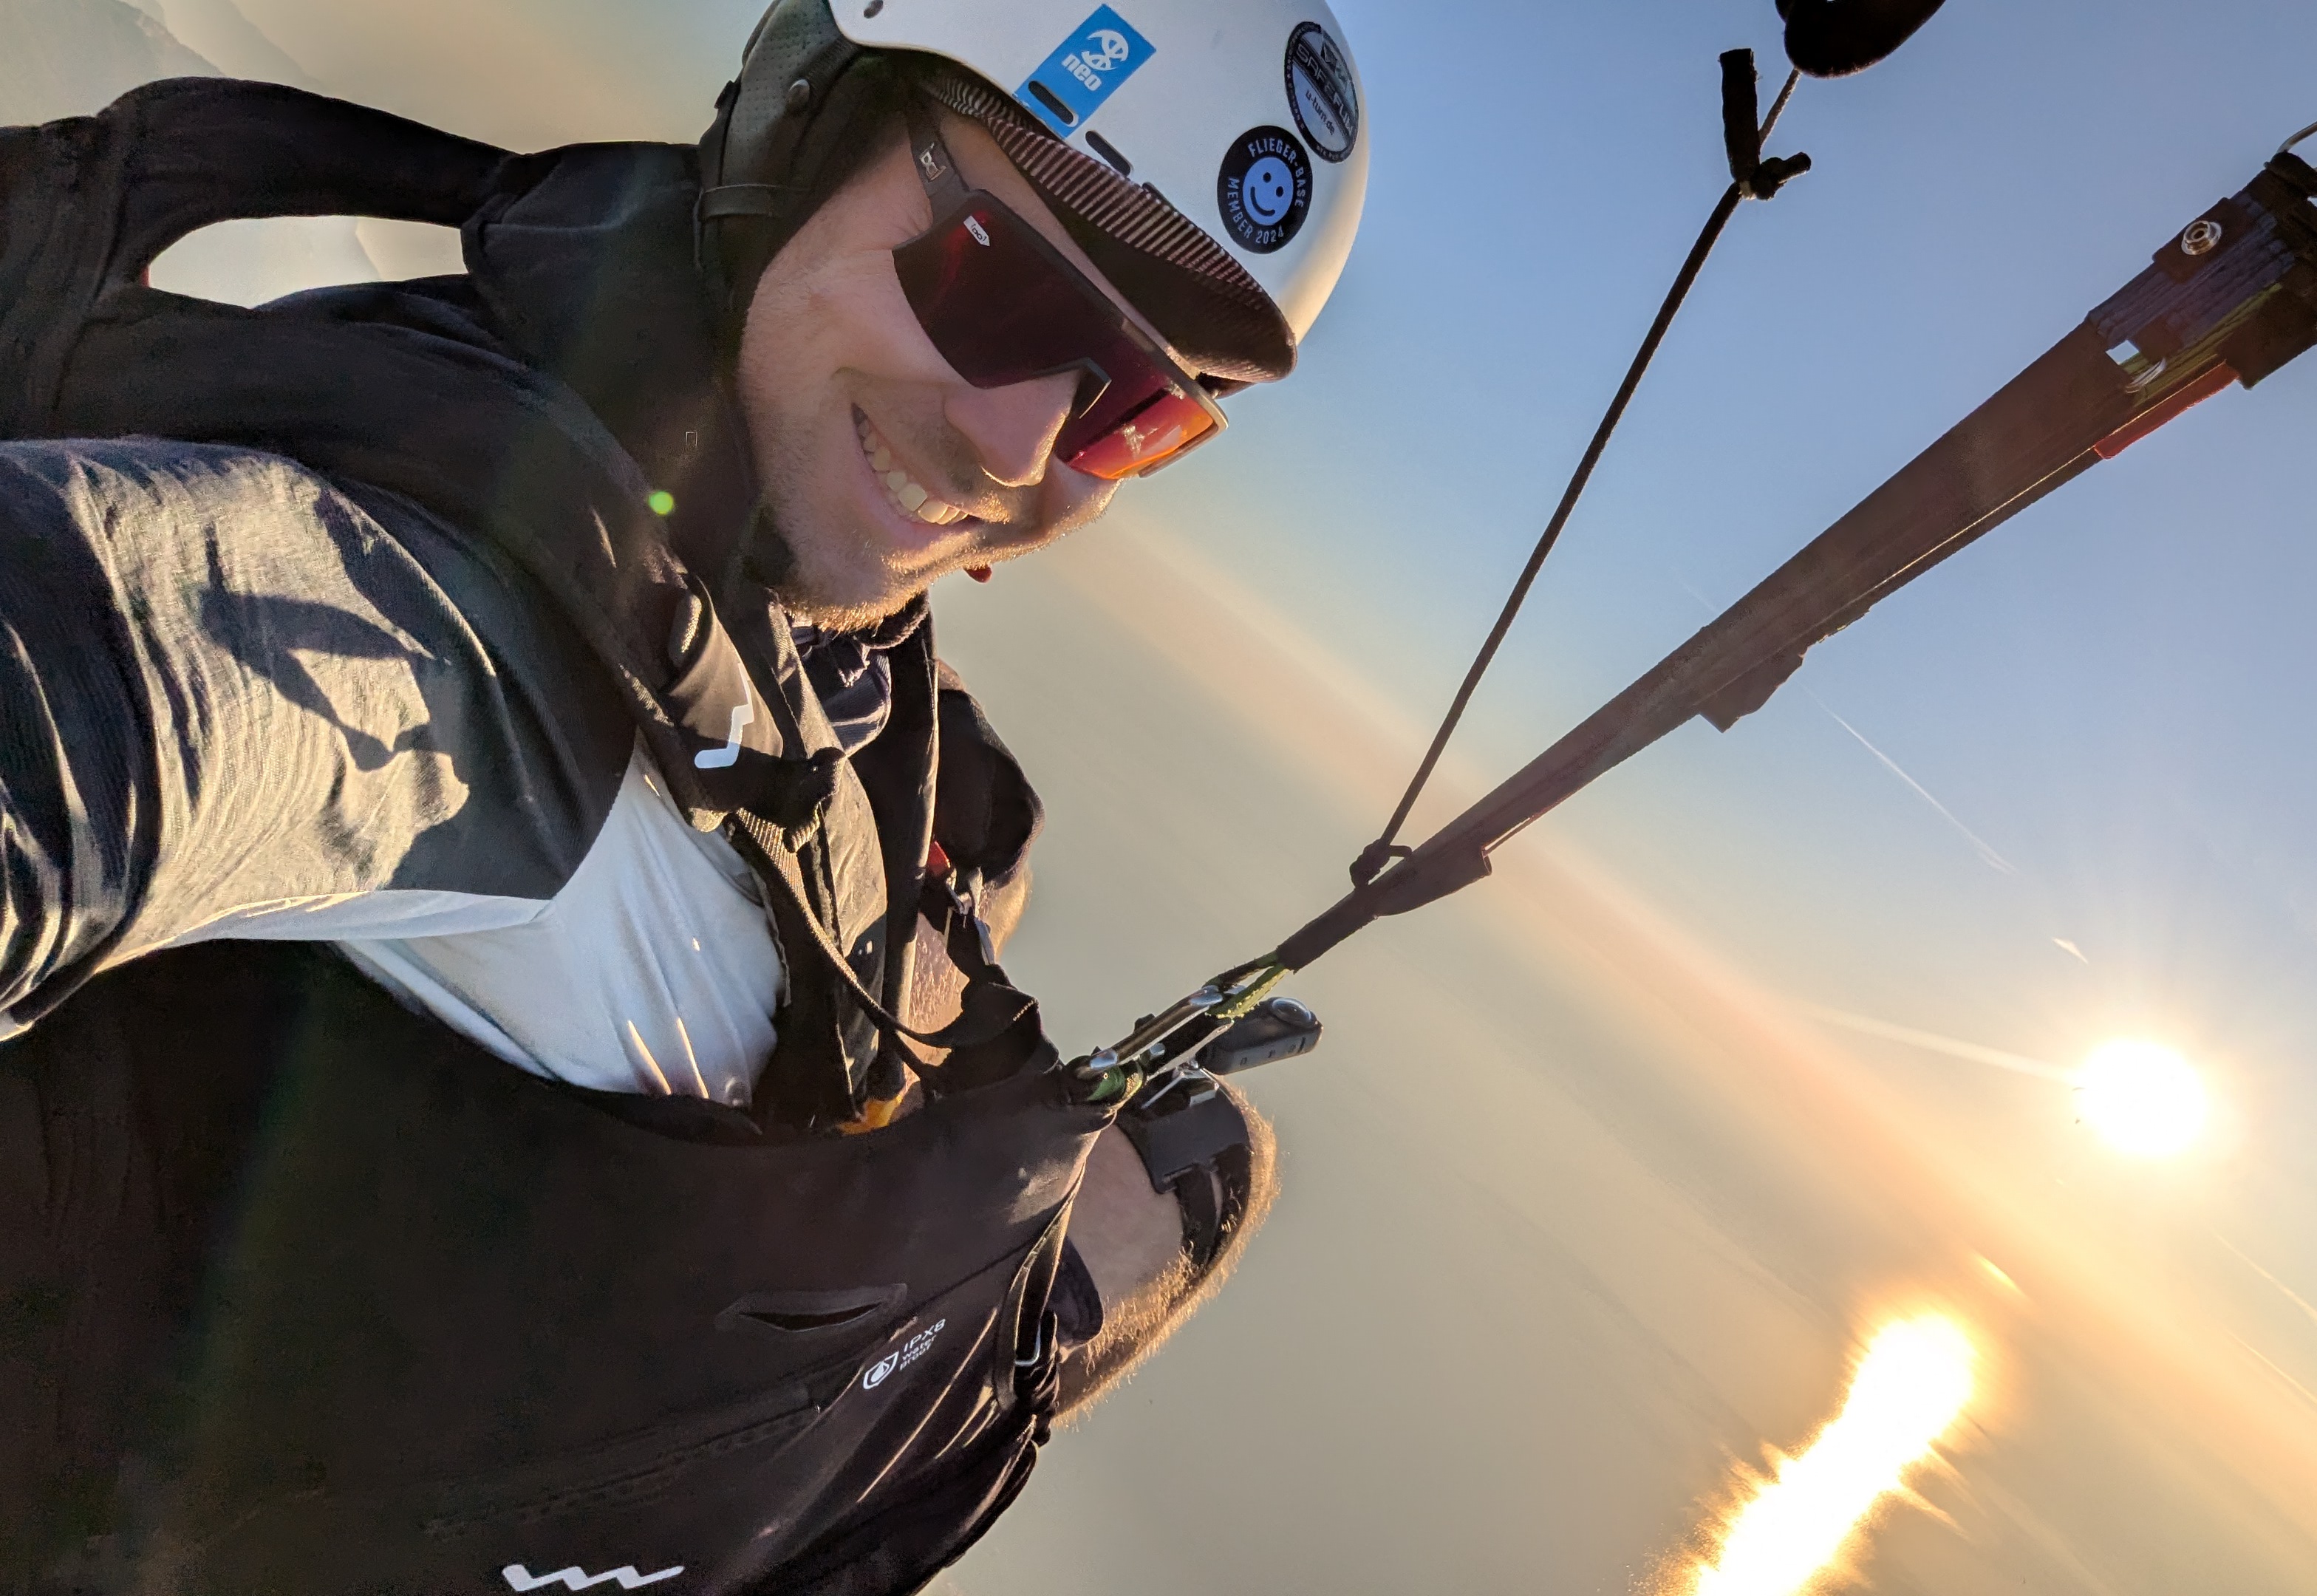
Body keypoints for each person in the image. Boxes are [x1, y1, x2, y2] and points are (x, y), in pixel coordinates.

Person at [0, 0, 1368, 1589]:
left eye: (1134, 407)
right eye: (993, 282)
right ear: (802, 129)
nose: (1019, 449)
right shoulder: (448, 649)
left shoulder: (843, 668)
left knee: (1199, 1155)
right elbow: (117, 689)